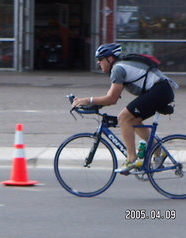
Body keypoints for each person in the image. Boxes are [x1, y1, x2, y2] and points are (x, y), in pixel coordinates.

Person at [72, 43, 177, 173]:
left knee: (123, 118)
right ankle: (158, 152)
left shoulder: (118, 69)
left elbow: (112, 99)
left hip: (159, 91)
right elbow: (111, 98)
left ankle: (131, 159)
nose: (99, 63)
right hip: (160, 91)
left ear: (110, 59)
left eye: (100, 59)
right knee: (133, 120)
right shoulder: (119, 67)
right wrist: (91, 104)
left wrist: (87, 100)